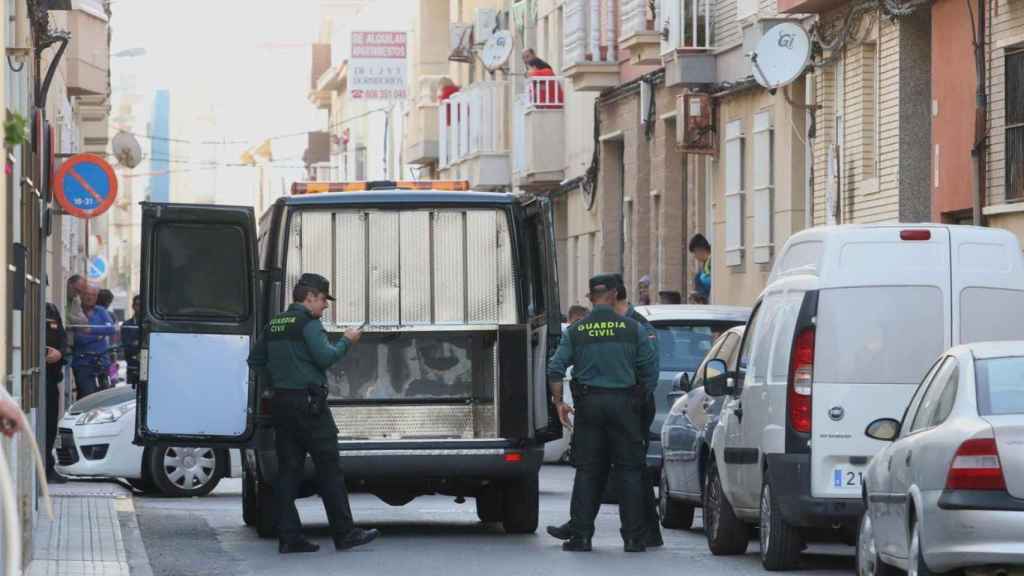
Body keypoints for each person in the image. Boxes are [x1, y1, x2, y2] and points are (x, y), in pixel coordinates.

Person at [248, 273, 379, 555]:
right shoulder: (309, 324)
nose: (325, 306)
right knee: (329, 469)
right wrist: (347, 340)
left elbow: (255, 360)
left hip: (282, 405)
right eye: (323, 300)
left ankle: (290, 537)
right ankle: (345, 534)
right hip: (310, 406)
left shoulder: (276, 323)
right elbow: (325, 357)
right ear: (309, 297)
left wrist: (277, 381)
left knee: (289, 472)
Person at [545, 274, 659, 553]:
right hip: (625, 406)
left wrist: (559, 402)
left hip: (590, 407)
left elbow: (555, 369)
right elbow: (650, 371)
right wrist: (637, 399)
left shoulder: (577, 331)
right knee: (630, 471)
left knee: (588, 472)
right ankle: (633, 539)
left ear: (591, 299)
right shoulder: (633, 329)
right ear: (614, 295)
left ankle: (581, 537)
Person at [71, 285, 115, 399]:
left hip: (102, 361)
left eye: (93, 295)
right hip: (83, 362)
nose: (90, 297)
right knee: (87, 397)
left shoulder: (101, 311)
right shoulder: (75, 310)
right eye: (87, 294)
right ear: (81, 296)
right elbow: (78, 338)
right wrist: (99, 336)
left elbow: (111, 329)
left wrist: (90, 330)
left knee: (105, 397)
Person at [45, 302, 68, 483]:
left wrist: (60, 353)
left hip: (51, 378)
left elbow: (62, 337)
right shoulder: (24, 306)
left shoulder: (51, 309)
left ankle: (47, 467)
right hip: (35, 377)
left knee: (50, 425)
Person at [122, 295, 142, 387]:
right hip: (132, 365)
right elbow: (127, 346)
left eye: (142, 305)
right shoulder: (127, 325)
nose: (140, 308)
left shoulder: (150, 325)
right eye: (137, 304)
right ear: (133, 306)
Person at [65, 274, 89, 346]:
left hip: (69, 342)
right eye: (76, 290)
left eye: (80, 292)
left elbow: (84, 322)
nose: (77, 294)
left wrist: (69, 318)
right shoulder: (60, 297)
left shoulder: (76, 300)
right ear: (69, 284)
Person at [689, 233, 712, 301]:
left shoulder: (712, 261)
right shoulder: (706, 263)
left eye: (695, 253)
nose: (695, 256)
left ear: (700, 249)